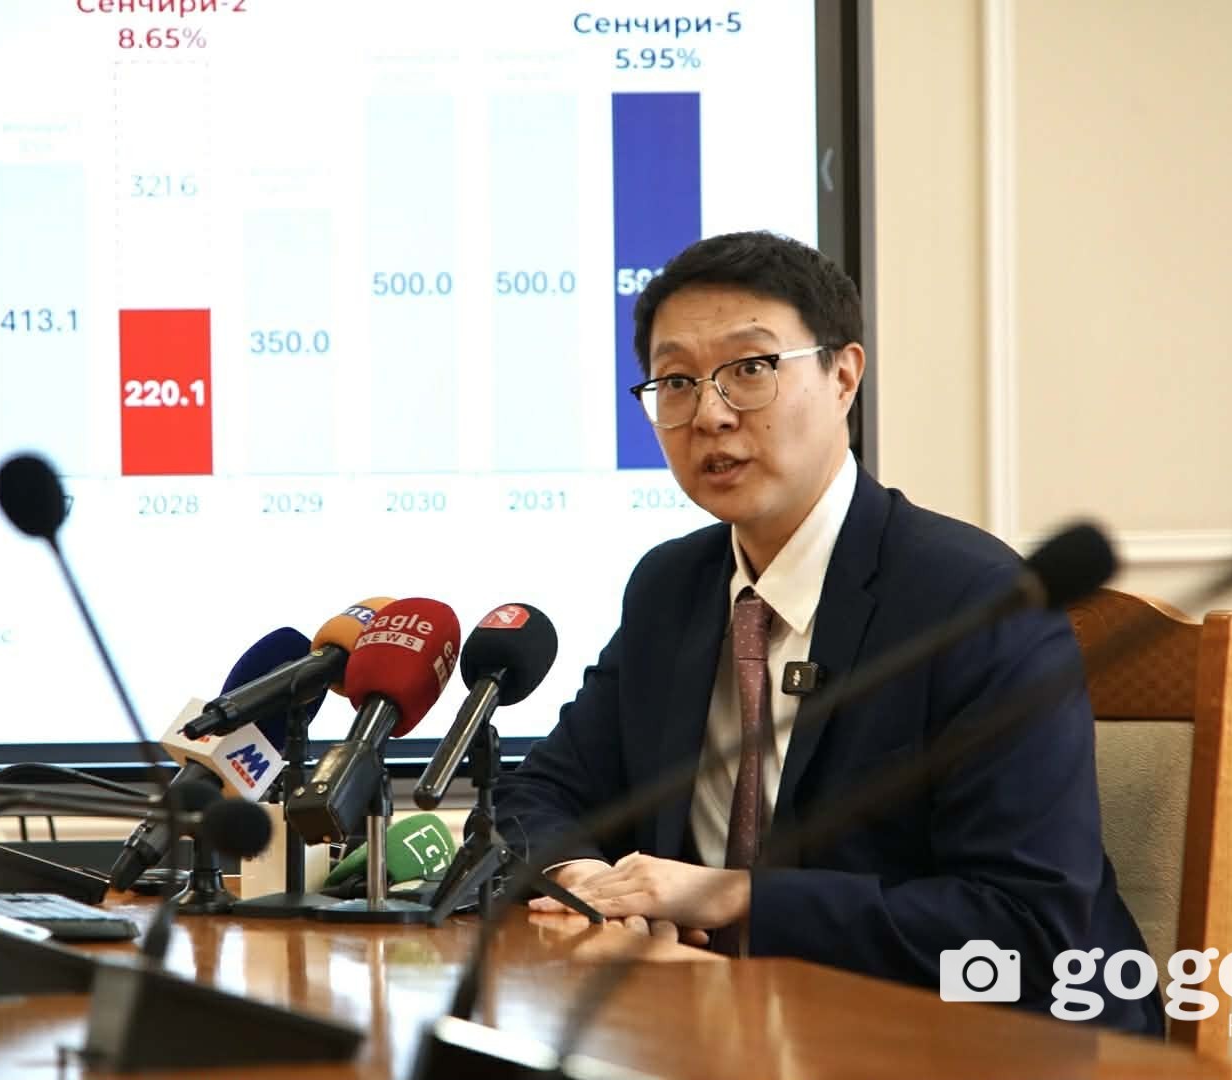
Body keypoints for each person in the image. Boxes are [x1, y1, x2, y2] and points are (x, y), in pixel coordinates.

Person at [496, 231, 1163, 1034]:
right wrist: (587, 885)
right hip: (721, 1028)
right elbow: (539, 794)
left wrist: (736, 899)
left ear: (844, 375)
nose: (709, 414)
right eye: (676, 382)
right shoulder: (670, 589)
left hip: (971, 1041)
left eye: (750, 369)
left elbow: (1026, 931)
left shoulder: (979, 604)